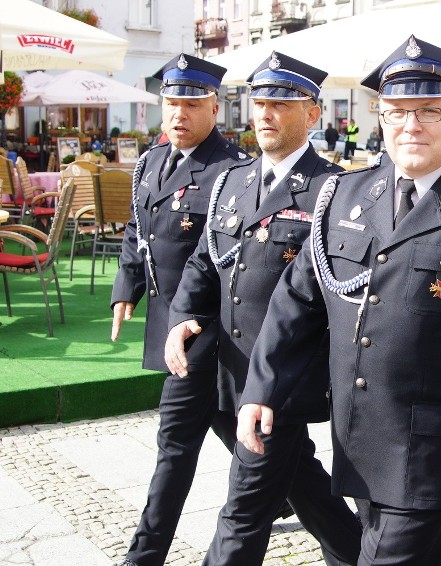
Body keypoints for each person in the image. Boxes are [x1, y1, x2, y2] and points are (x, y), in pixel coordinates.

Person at [237, 35, 441, 564]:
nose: (412, 125)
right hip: (357, 437)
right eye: (398, 112)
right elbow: (296, 302)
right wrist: (261, 389)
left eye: (430, 111)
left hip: (429, 449)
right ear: (381, 119)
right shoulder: (344, 194)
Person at [163, 51, 362, 566]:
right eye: (260, 102)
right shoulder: (234, 180)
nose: (266, 113)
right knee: (297, 477)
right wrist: (182, 313)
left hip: (283, 377)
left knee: (243, 509)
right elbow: (206, 258)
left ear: (314, 114)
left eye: (282, 102)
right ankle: (359, 553)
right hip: (230, 366)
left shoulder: (334, 189)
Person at [111, 53, 251, 566]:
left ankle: (142, 556)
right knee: (234, 428)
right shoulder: (150, 161)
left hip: (208, 324)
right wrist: (126, 286)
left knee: (174, 441)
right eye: (171, 103)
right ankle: (288, 491)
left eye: (191, 104)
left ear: (214, 108)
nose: (178, 114)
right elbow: (136, 232)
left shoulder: (230, 171)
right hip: (167, 317)